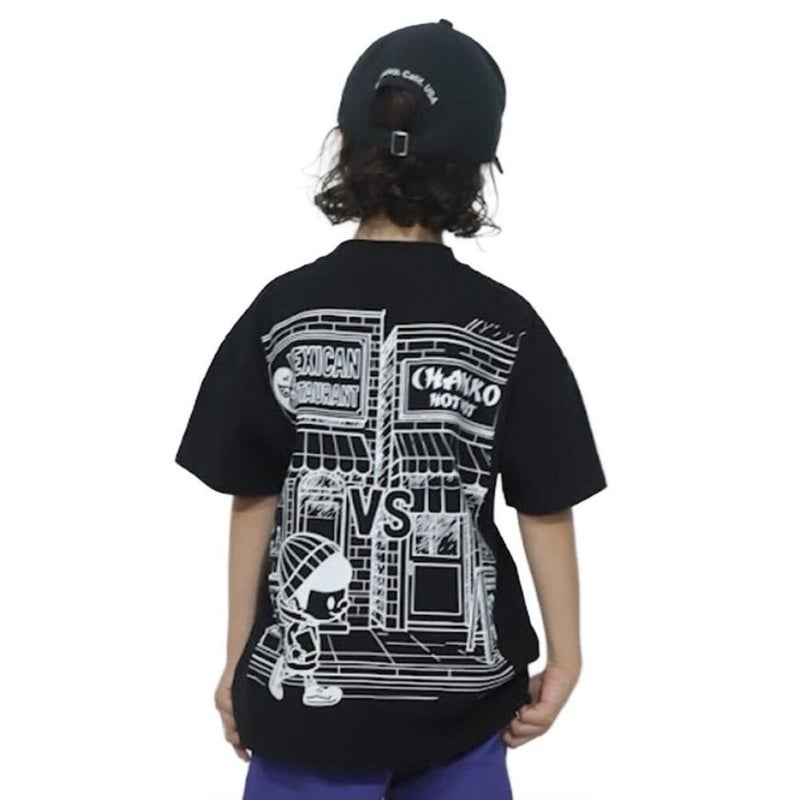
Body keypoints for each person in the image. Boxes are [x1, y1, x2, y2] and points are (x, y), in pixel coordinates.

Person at [174, 18, 608, 800]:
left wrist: (240, 659)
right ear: (477, 171)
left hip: (304, 719)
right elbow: (547, 501)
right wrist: (567, 656)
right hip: (463, 714)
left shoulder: (282, 313)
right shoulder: (506, 326)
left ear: (344, 146)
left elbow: (252, 493)